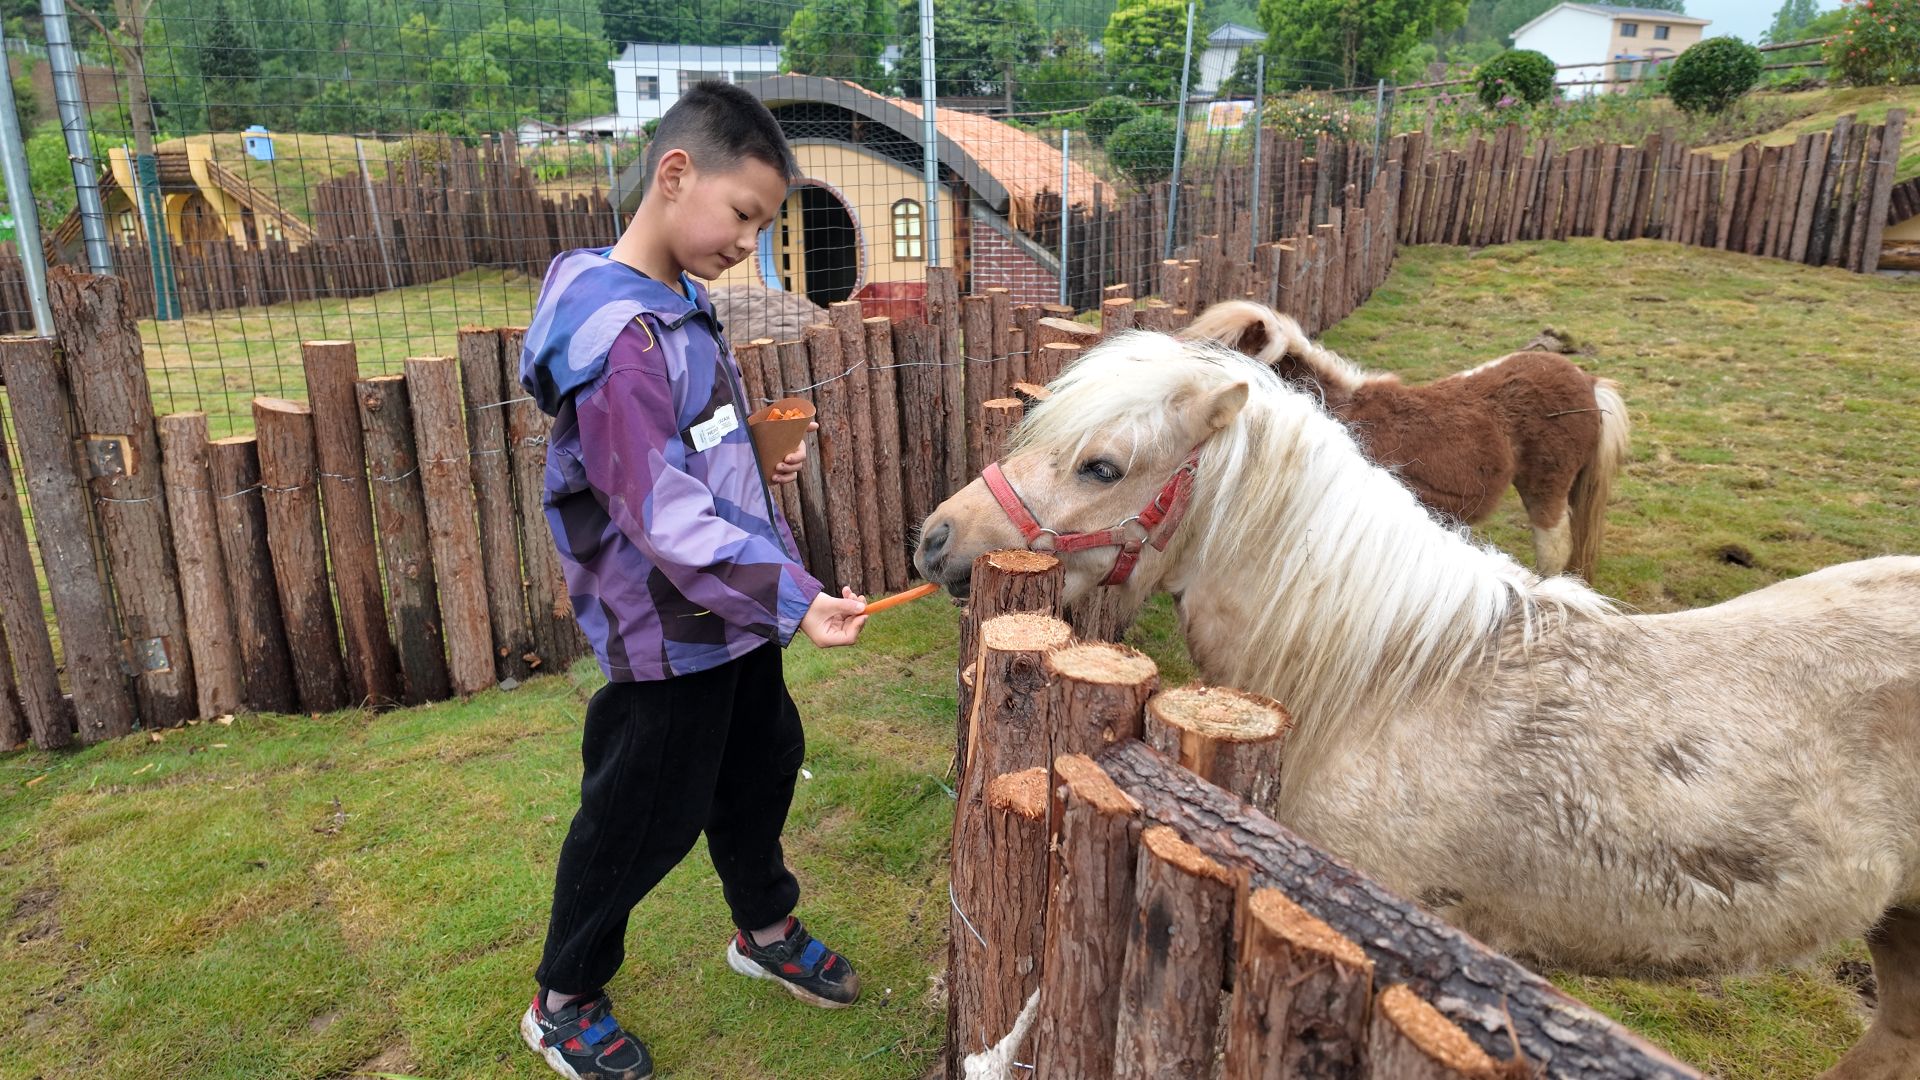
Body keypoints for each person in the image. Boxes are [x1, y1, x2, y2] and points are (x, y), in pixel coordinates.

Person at [516, 80, 869, 1080]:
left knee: (763, 762)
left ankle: (763, 927)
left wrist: (756, 454)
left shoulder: (680, 302)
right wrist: (799, 598)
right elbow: (659, 514)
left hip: (733, 613)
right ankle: (565, 998)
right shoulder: (619, 341)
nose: (748, 244)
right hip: (668, 625)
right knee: (641, 813)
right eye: (744, 216)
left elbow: (682, 452)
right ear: (676, 174)